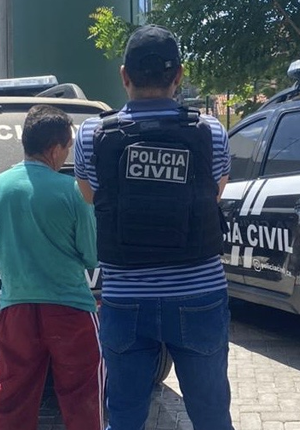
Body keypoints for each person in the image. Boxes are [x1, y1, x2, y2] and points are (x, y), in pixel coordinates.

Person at [75, 24, 233, 430]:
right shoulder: (210, 131)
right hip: (198, 293)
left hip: (126, 297)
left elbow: (91, 197)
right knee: (212, 417)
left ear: (124, 75)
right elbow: (213, 194)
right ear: (178, 75)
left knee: (125, 417)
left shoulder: (92, 134)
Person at [0, 105, 103, 430]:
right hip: (71, 308)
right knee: (83, 397)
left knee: (11, 397)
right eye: (68, 147)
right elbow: (92, 255)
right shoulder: (73, 191)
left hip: (16, 308)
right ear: (55, 148)